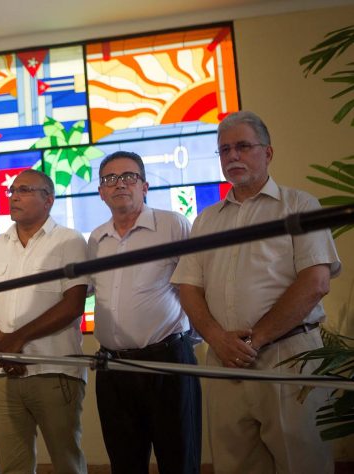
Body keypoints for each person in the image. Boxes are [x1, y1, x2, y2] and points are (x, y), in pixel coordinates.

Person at [171, 111, 340, 474]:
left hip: (288, 356)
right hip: (223, 359)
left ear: (268, 153)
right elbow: (188, 287)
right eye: (224, 150)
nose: (233, 156)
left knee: (303, 463)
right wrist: (217, 338)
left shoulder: (299, 206)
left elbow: (315, 283)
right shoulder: (207, 220)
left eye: (243, 147)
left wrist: (255, 340)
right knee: (235, 466)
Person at [0, 169, 88, 474]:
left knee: (67, 462)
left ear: (48, 199)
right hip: (2, 371)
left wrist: (17, 338)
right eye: (11, 191)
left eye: (23, 190)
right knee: (11, 466)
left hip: (54, 369)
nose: (14, 196)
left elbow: (73, 304)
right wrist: (1, 344)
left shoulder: (69, 241)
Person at [88, 151, 201, 474]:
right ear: (101, 191)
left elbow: (193, 286)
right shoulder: (96, 238)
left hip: (166, 361)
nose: (119, 184)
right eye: (110, 179)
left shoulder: (172, 224)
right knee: (124, 461)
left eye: (128, 177)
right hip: (112, 366)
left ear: (145, 185)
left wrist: (188, 343)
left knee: (178, 458)